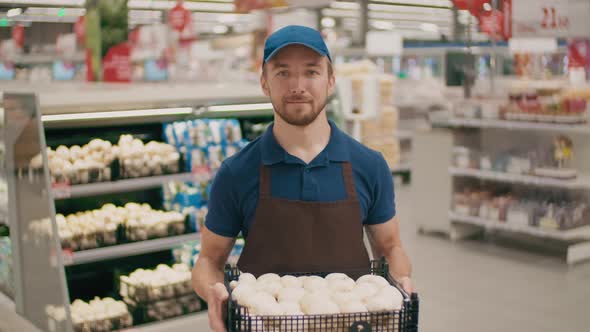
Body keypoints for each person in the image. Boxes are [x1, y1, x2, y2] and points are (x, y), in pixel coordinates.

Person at [192, 25, 413, 332]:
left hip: (352, 325)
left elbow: (390, 249)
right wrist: (214, 293)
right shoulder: (236, 172)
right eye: (283, 73)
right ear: (264, 83)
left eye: (311, 72)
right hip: (264, 326)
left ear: (331, 80)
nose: (298, 85)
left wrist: (400, 285)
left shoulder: (369, 165)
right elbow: (208, 261)